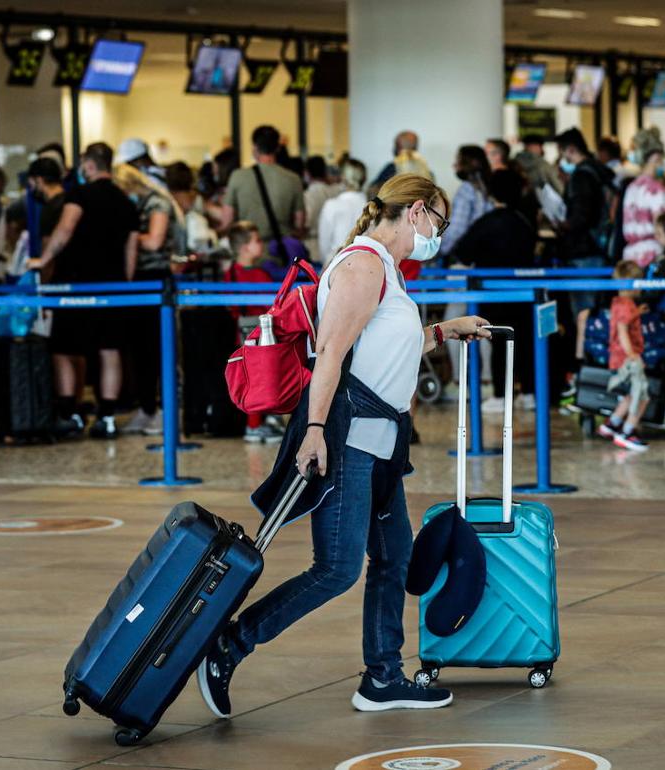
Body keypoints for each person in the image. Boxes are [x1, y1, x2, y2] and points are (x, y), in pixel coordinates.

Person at [195, 174, 493, 718]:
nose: (438, 235)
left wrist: (445, 331)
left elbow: (386, 351)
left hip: (378, 442)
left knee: (393, 558)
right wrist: (312, 433)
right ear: (417, 212)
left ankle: (382, 677)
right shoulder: (362, 266)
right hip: (346, 437)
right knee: (336, 568)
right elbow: (330, 354)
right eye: (440, 222)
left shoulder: (389, 273)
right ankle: (227, 645)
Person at [27, 142, 140, 439]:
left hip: (77, 281)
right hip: (114, 283)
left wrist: (44, 259)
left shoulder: (78, 195)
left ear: (88, 165)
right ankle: (107, 417)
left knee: (65, 349)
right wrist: (126, 284)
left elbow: (65, 230)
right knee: (110, 350)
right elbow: (131, 248)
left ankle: (71, 415)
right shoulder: (125, 201)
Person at [452, 169, 537, 409]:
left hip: (492, 292)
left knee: (498, 340)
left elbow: (463, 252)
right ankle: (529, 392)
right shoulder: (524, 222)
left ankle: (501, 395)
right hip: (523, 292)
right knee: (525, 342)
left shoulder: (485, 223)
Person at [113, 163, 181, 436]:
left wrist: (127, 236)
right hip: (138, 278)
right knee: (140, 350)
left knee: (157, 347)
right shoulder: (140, 205)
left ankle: (164, 411)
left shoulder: (157, 203)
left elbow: (154, 241)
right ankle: (146, 408)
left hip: (155, 277)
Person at [222, 221, 286, 445]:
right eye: (257, 241)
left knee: (254, 379)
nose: (261, 245)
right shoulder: (259, 275)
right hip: (261, 333)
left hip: (244, 331)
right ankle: (254, 425)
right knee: (261, 379)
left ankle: (259, 421)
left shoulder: (230, 273)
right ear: (245, 247)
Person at [221, 126, 306, 261]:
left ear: (254, 147)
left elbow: (227, 220)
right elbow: (299, 224)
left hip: (248, 256)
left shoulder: (238, 176)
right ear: (278, 148)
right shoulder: (293, 179)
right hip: (281, 255)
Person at [596, 259, 650, 452]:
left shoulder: (619, 303)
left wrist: (637, 312)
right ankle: (627, 432)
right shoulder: (627, 306)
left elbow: (622, 321)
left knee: (627, 396)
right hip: (627, 358)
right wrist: (633, 355)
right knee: (641, 396)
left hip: (616, 358)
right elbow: (622, 330)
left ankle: (611, 425)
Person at [552, 127, 615, 265]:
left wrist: (563, 225)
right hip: (600, 243)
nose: (561, 157)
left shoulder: (581, 176)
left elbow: (581, 214)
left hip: (584, 248)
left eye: (561, 151)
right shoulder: (598, 170)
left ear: (571, 149)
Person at [620, 127, 665, 268]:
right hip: (651, 256)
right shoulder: (655, 190)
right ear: (656, 158)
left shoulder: (632, 187)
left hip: (630, 256)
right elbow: (661, 226)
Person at [439, 145, 493, 259]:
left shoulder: (467, 189)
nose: (454, 165)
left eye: (458, 160)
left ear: (470, 163)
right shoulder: (489, 186)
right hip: (488, 251)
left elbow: (457, 228)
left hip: (467, 254)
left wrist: (441, 251)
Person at [163, 161, 218, 257]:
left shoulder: (166, 199)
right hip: (197, 253)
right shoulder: (198, 198)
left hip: (173, 252)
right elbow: (217, 217)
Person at [319, 158, 369, 260]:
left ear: (342, 177)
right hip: (367, 265)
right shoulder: (371, 206)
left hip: (335, 264)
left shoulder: (331, 205)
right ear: (364, 178)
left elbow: (324, 245)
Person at [26, 157, 67, 261]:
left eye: (31, 183)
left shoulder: (50, 209)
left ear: (39, 180)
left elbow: (47, 248)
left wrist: (43, 272)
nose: (31, 188)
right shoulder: (72, 202)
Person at [304, 155, 340, 261]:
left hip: (312, 246)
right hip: (334, 245)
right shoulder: (336, 191)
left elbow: (306, 223)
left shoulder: (308, 195)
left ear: (307, 173)